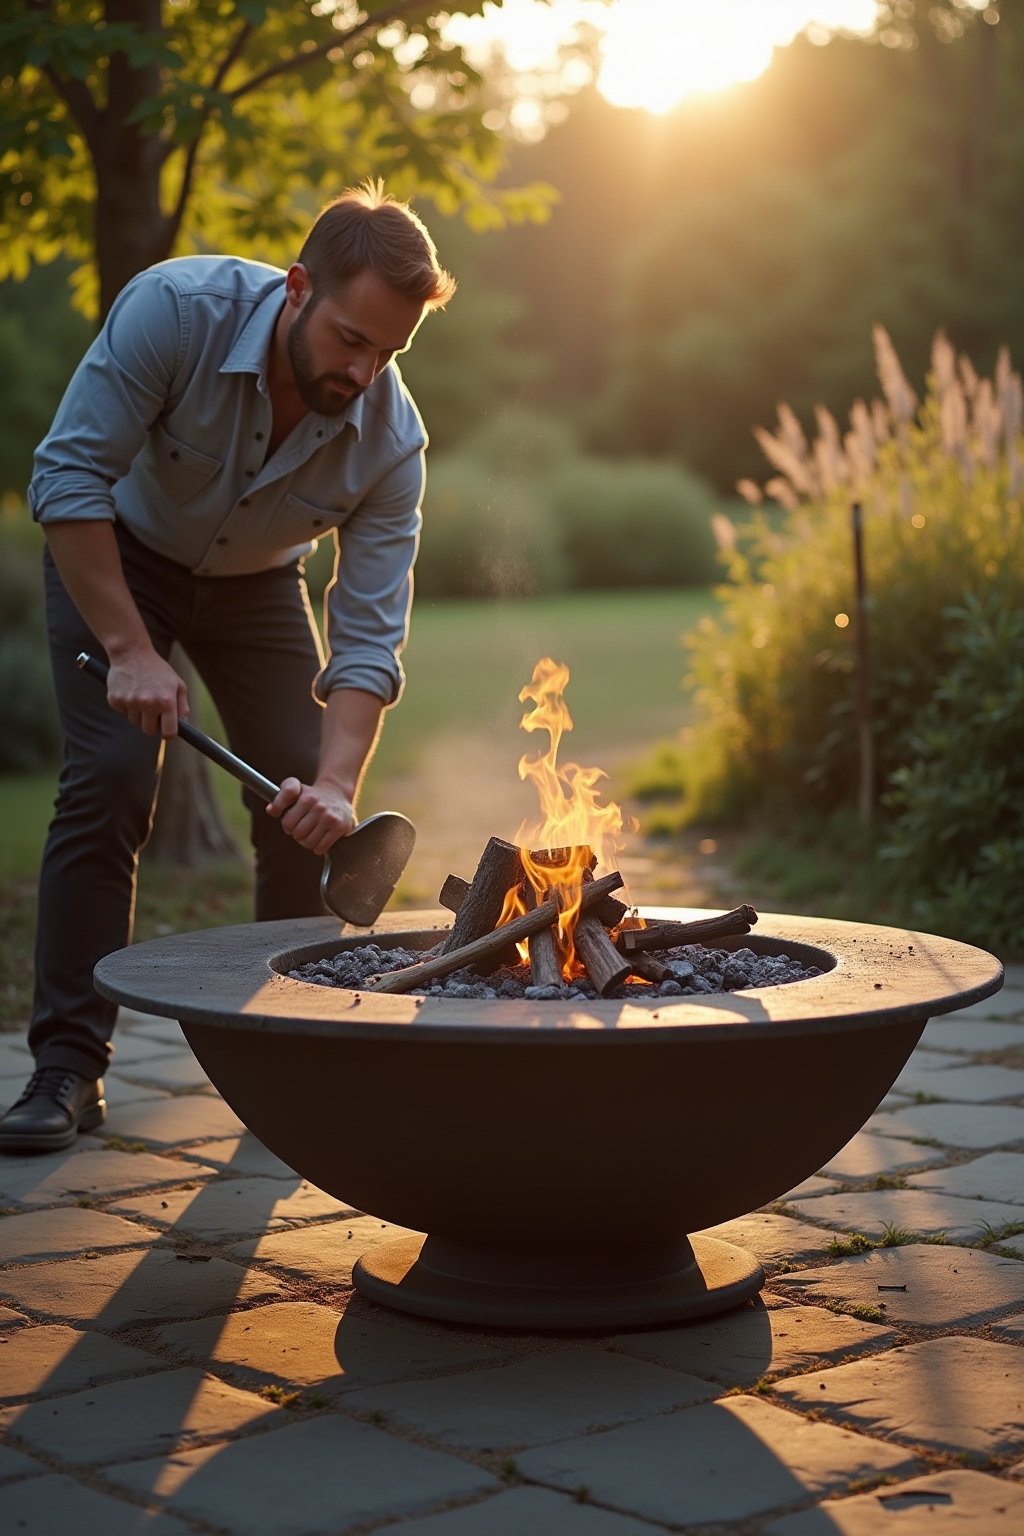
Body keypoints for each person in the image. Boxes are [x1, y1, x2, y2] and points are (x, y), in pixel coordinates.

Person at [0, 182, 454, 1153]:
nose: (364, 371)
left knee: (299, 801)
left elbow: (368, 634)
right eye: (350, 340)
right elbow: (67, 477)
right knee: (112, 778)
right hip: (119, 554)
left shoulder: (393, 440)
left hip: (256, 584)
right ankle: (68, 1066)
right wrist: (131, 650)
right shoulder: (176, 311)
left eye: (388, 353)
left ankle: (280, 1061)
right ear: (296, 288)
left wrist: (338, 786)